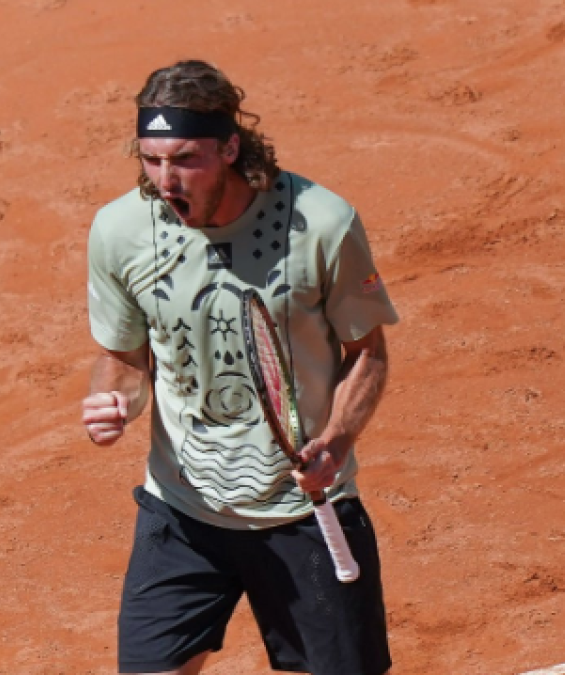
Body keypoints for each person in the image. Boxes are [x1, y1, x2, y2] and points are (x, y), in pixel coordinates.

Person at [81, 60, 399, 675]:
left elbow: (367, 352)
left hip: (304, 510)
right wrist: (114, 402)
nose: (165, 180)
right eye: (151, 160)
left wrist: (336, 442)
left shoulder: (321, 224)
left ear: (230, 148)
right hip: (182, 511)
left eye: (185, 159)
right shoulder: (120, 231)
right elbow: (123, 359)